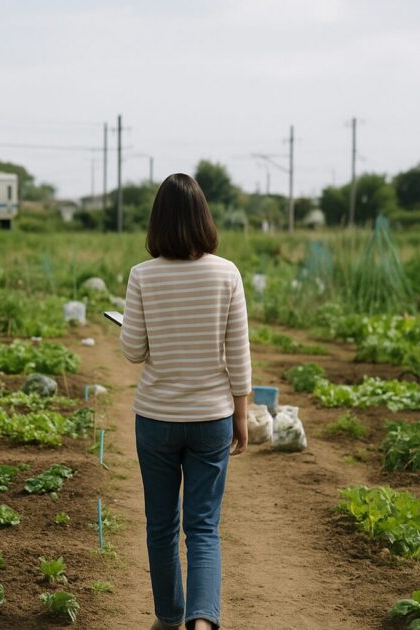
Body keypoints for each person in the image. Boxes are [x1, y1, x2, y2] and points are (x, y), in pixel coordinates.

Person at [120, 173, 250, 630]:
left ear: (157, 221)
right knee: (203, 528)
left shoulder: (142, 275)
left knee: (160, 526)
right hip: (212, 416)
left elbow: (133, 351)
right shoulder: (227, 273)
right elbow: (239, 352)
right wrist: (242, 414)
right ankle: (202, 621)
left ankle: (168, 618)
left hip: (156, 418)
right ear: (203, 218)